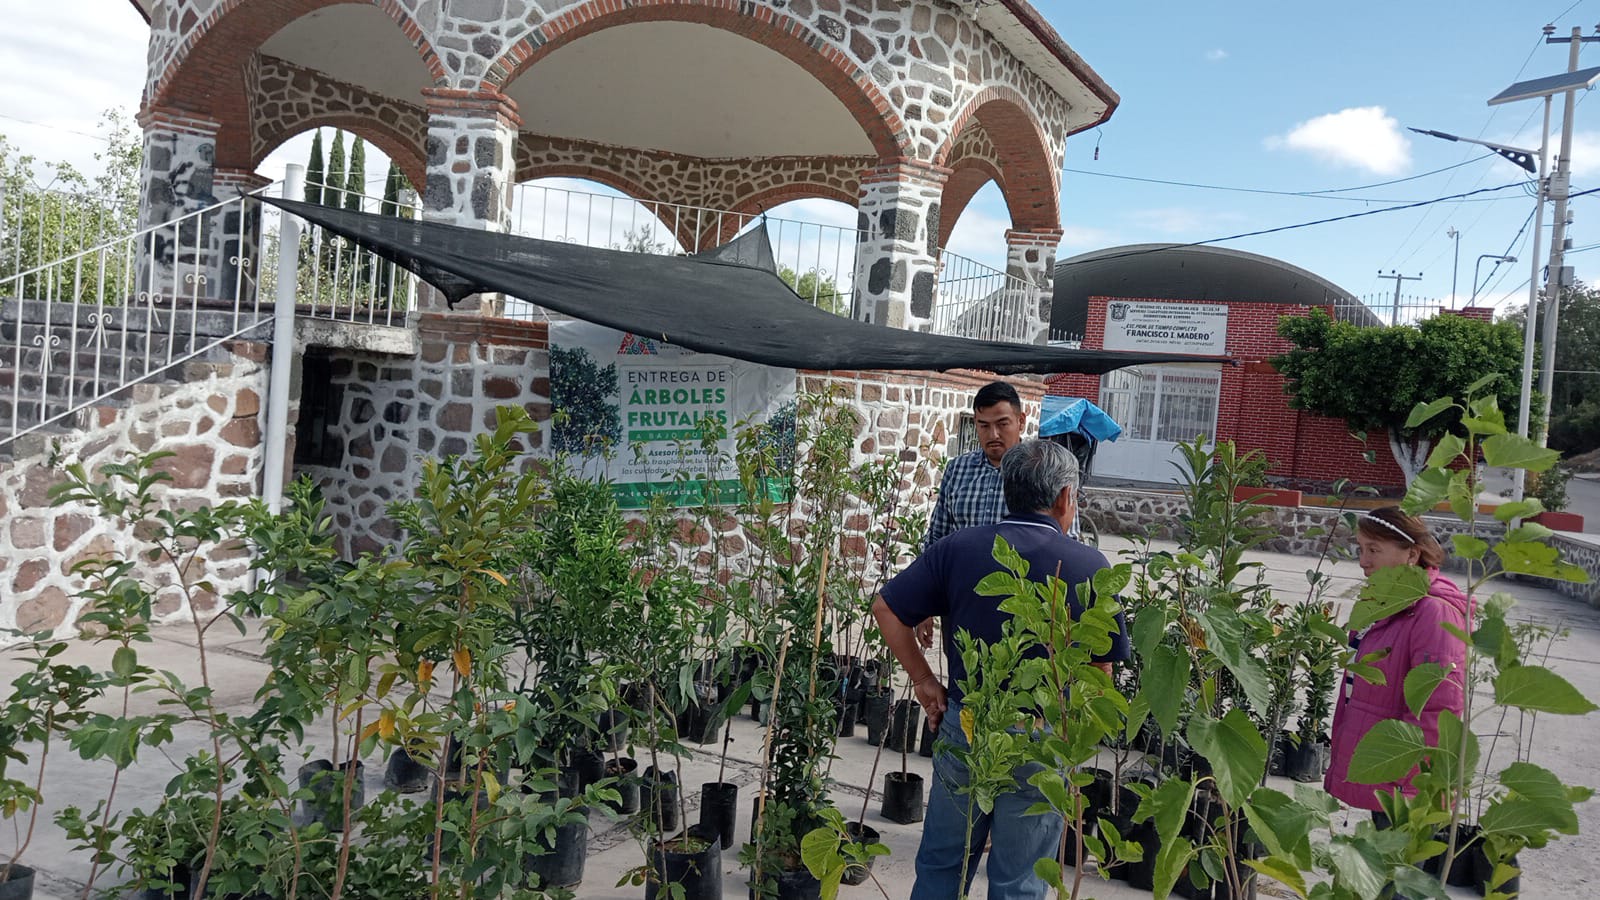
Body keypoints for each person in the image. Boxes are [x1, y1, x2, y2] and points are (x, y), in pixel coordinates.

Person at [872, 439, 1131, 900]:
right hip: (1044, 735)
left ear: (1008, 489)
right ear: (1065, 497)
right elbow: (1100, 674)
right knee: (1020, 881)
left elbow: (886, 608)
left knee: (942, 865)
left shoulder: (960, 547)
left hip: (967, 723)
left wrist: (925, 681)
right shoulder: (1089, 565)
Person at [1324, 505, 1471, 819]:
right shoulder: (1381, 604)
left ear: (1412, 555)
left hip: (1405, 788)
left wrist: (1406, 784)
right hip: (1384, 771)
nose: (1363, 561)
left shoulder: (1433, 612)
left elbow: (1438, 710)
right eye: (1360, 549)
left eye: (1374, 550)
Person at [915, 381, 1028, 647]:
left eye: (1002, 423)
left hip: (1021, 612)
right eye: (983, 425)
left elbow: (1066, 541)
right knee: (961, 682)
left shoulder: (1042, 470)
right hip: (961, 604)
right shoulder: (958, 470)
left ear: (1021, 421)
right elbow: (937, 539)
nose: (993, 434)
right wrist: (925, 602)